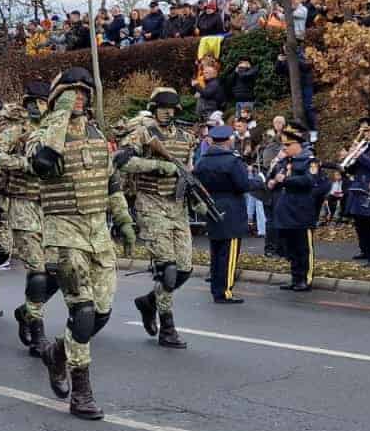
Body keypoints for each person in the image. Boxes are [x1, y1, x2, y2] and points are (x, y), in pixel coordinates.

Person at [27, 67, 136, 420]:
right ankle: (81, 392)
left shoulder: (96, 133)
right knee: (83, 312)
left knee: (101, 313)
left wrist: (123, 220)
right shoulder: (43, 133)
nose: (78, 98)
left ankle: (56, 352)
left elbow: (111, 183)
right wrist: (57, 114)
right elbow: (42, 161)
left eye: (82, 93)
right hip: (64, 232)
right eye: (69, 92)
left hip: (97, 233)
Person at [119, 88, 197, 349]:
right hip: (150, 204)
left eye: (171, 107)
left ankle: (149, 302)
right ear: (154, 109)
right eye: (162, 107)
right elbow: (122, 162)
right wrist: (158, 166)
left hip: (176, 206)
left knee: (185, 269)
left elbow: (187, 170)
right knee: (168, 270)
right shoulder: (142, 134)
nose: (167, 111)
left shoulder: (186, 138)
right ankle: (168, 328)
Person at [0, 81, 52, 357]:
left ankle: (27, 311)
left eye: (42, 101)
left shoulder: (61, 131)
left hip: (56, 205)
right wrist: (24, 164)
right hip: (23, 204)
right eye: (32, 102)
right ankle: (37, 331)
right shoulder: (17, 132)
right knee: (37, 271)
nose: (37, 107)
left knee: (58, 271)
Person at [195, 125, 258, 304]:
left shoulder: (203, 161)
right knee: (229, 254)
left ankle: (216, 289)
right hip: (231, 210)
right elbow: (242, 185)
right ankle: (225, 291)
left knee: (216, 252)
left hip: (212, 207)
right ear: (228, 141)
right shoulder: (232, 161)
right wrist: (256, 181)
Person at [267, 128, 326, 291]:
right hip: (286, 210)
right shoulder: (286, 161)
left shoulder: (310, 160)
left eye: (288, 144)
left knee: (303, 248)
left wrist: (286, 180)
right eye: (283, 144)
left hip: (301, 210)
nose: (284, 148)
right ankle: (295, 277)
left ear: (297, 144)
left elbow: (310, 180)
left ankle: (305, 279)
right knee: (291, 248)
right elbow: (276, 176)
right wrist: (273, 182)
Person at [339, 118, 370, 267]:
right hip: (358, 189)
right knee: (361, 225)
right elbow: (352, 169)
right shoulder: (364, 147)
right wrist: (349, 159)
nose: (365, 134)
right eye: (364, 131)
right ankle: (366, 251)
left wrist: (360, 155)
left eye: (368, 130)